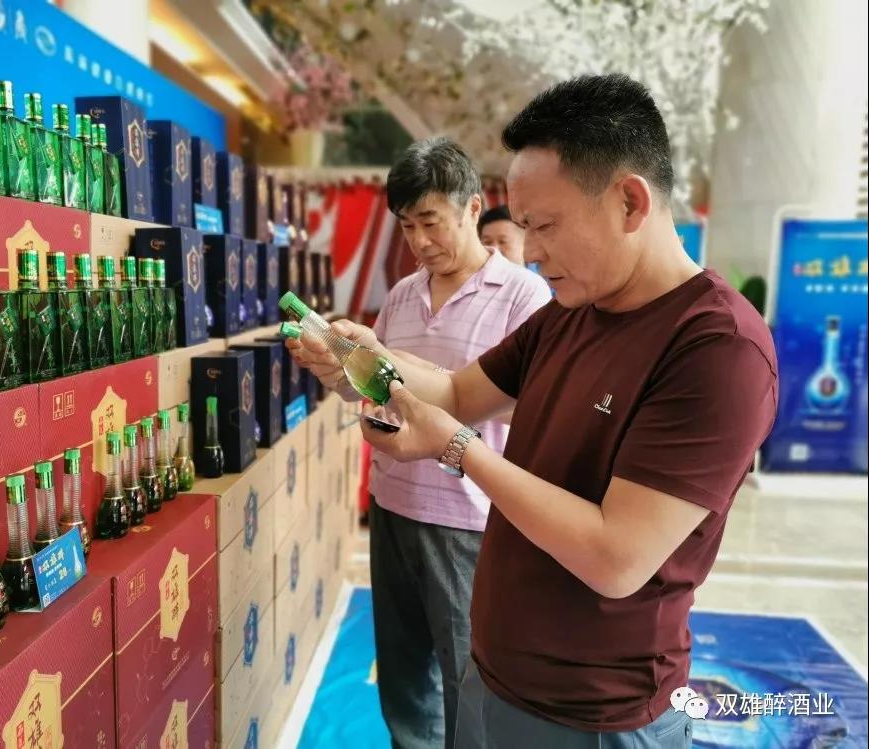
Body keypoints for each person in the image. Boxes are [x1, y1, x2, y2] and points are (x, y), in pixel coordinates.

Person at [288, 73, 778, 748]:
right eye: (525, 227)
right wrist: (368, 361)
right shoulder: (572, 311)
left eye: (545, 226)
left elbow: (615, 556)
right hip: (499, 674)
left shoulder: (716, 347)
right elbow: (459, 393)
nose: (532, 251)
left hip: (594, 711)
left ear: (630, 201)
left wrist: (457, 447)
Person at [338, 137, 550, 749]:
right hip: (391, 504)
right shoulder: (402, 295)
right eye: (407, 226)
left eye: (431, 222)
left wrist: (427, 388)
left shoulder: (524, 295)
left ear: (472, 207)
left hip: (467, 518)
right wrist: (336, 368)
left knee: (469, 679)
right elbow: (373, 383)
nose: (420, 241)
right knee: (403, 678)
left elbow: (530, 403)